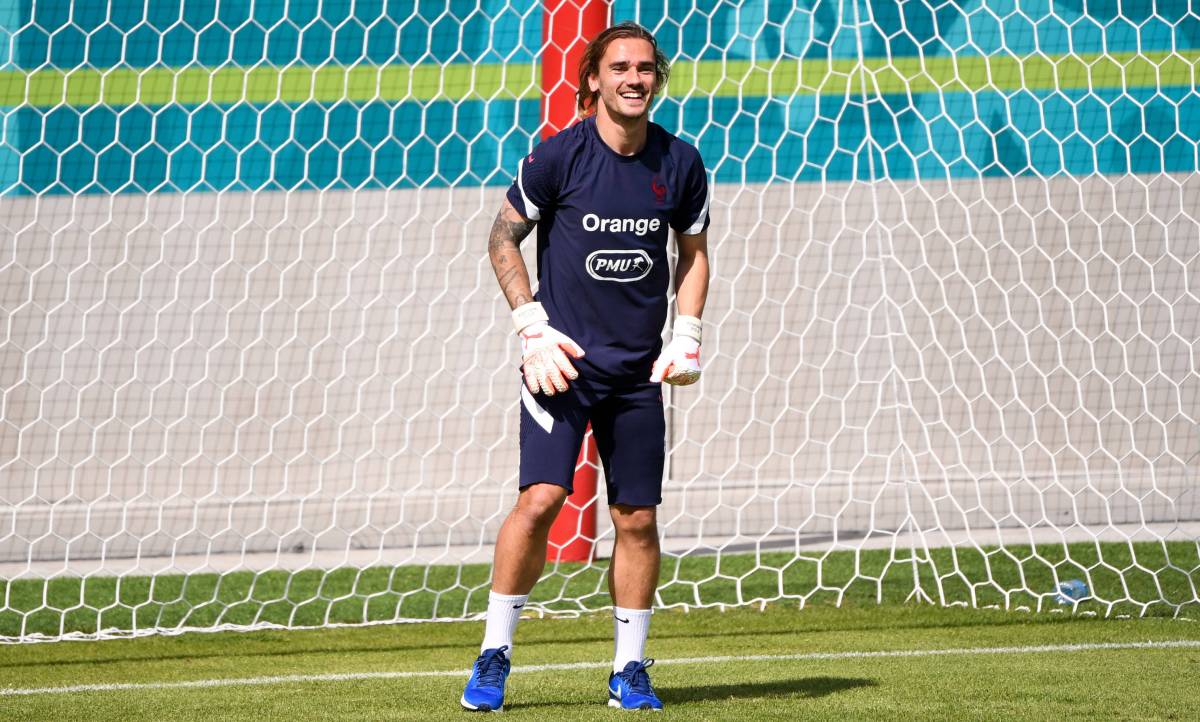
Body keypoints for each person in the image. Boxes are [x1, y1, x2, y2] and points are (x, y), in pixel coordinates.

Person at [460, 21, 711, 713]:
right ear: (593, 79)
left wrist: (686, 332)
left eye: (646, 68)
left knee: (636, 519)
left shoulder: (681, 163)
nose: (635, 78)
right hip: (560, 367)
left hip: (637, 375)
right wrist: (531, 327)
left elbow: (692, 253)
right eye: (620, 67)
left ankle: (629, 671)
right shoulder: (558, 158)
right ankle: (493, 654)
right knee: (541, 500)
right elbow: (501, 236)